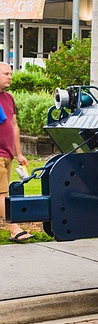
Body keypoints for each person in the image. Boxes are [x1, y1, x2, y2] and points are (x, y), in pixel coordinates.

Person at [0, 62, 30, 242]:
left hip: (8, 154)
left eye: (10, 74)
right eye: (5, 74)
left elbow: (14, 126)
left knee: (2, 191)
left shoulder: (9, 98)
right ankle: (14, 229)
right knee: (1, 193)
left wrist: (19, 154)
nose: (10, 77)